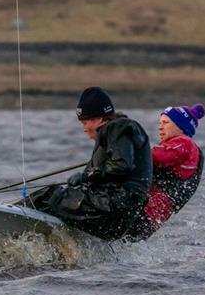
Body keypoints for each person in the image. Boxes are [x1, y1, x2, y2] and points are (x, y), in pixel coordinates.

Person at [32, 87, 153, 241]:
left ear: (100, 119)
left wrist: (85, 176)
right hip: (119, 215)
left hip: (115, 205)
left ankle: (11, 218)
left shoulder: (117, 127)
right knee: (56, 196)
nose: (84, 129)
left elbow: (121, 165)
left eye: (85, 122)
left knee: (49, 196)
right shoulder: (114, 136)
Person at [126, 104, 205, 240]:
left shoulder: (185, 143)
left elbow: (156, 157)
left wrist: (125, 153)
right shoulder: (181, 146)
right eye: (160, 123)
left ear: (181, 127)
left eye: (166, 122)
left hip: (145, 213)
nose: (160, 127)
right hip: (150, 219)